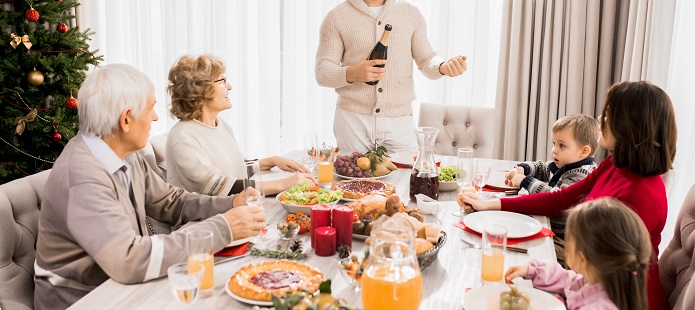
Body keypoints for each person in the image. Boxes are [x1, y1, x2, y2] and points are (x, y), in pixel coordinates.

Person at [34, 64, 266, 310]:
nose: (155, 117)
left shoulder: (122, 153)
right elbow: (128, 260)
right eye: (150, 108)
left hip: (120, 288)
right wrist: (225, 227)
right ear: (126, 120)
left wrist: (230, 204)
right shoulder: (83, 176)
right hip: (85, 302)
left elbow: (170, 201)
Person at [458, 81, 677, 310]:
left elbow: (613, 277)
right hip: (590, 284)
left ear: (630, 125)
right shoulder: (615, 163)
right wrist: (491, 204)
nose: (601, 117)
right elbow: (560, 199)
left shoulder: (641, 195)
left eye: (609, 113)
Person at [315, 0, 468, 154]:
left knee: (408, 175)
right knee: (354, 177)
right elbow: (322, 71)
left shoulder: (411, 12)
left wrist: (442, 66)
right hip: (352, 121)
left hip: (399, 122)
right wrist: (352, 73)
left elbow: (426, 58)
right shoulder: (336, 16)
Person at [166, 54, 314, 196]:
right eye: (222, 81)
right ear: (200, 89)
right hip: (204, 219)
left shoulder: (220, 124)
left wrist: (273, 161)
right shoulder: (184, 137)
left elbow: (236, 167)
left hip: (232, 207)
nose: (229, 87)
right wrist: (282, 184)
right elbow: (216, 186)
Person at [505, 198, 652, 310]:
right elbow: (568, 279)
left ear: (582, 259)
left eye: (569, 240)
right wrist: (533, 270)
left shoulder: (596, 308)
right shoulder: (601, 282)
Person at [504, 113, 599, 266]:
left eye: (562, 145)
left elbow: (554, 197)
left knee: (526, 252)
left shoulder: (582, 175)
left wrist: (526, 182)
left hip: (567, 242)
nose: (554, 150)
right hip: (550, 228)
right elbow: (542, 167)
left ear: (584, 151)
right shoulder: (564, 164)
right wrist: (523, 169)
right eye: (554, 143)